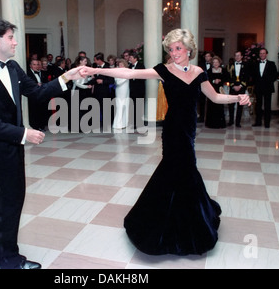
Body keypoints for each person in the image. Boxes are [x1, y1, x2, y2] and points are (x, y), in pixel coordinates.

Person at [81, 28, 250, 256]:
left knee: (185, 169)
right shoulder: (164, 70)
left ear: (189, 49)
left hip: (189, 129)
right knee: (178, 169)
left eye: (178, 48)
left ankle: (189, 216)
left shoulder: (199, 72)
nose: (174, 52)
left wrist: (237, 98)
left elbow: (215, 97)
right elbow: (130, 74)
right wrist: (93, 69)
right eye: (171, 49)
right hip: (173, 129)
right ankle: (166, 222)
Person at [0, 17, 83, 269]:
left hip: (13, 149)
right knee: (4, 201)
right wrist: (23, 133)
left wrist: (66, 77)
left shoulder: (14, 67)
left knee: (11, 199)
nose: (15, 41)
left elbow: (38, 93)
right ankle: (9, 259)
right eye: (10, 37)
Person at [250, 48, 278, 128]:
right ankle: (258, 122)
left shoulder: (272, 64)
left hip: (267, 88)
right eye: (261, 53)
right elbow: (253, 75)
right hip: (258, 88)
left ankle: (267, 123)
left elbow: (275, 75)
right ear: (259, 54)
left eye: (263, 53)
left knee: (267, 106)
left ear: (266, 54)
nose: (262, 54)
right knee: (258, 106)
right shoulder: (255, 63)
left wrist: (267, 81)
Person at [205, 56, 227, 129]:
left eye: (217, 62)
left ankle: (220, 124)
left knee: (220, 106)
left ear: (219, 62)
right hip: (211, 90)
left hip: (220, 90)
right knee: (211, 106)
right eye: (214, 62)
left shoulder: (223, 70)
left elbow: (227, 78)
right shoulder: (209, 71)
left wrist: (221, 80)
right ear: (212, 63)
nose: (215, 64)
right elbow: (206, 80)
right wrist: (214, 81)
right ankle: (211, 124)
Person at [228, 50, 249, 128]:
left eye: (239, 55)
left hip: (241, 87)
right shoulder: (230, 65)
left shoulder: (246, 65)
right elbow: (228, 77)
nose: (237, 57)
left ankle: (238, 122)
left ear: (242, 56)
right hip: (233, 88)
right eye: (236, 55)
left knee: (240, 106)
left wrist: (240, 85)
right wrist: (233, 85)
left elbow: (247, 77)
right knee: (231, 105)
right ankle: (231, 121)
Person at [128, 51, 146, 129]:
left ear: (135, 58)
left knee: (139, 106)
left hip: (139, 89)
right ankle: (134, 122)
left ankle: (139, 122)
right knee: (133, 106)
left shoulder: (141, 66)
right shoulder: (129, 66)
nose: (129, 59)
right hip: (132, 90)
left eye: (131, 58)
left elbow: (144, 77)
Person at [112, 58, 130, 130]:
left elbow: (122, 80)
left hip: (125, 90)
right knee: (120, 105)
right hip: (119, 90)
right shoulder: (117, 72)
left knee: (125, 105)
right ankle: (118, 124)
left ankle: (124, 123)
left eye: (122, 65)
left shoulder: (127, 71)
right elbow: (117, 81)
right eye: (119, 65)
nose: (120, 66)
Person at [197, 51, 213, 123]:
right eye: (206, 56)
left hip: (212, 86)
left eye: (208, 56)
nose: (207, 58)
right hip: (203, 85)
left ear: (211, 57)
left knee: (211, 101)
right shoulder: (201, 65)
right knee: (202, 102)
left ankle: (210, 118)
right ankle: (201, 117)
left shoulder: (214, 64)